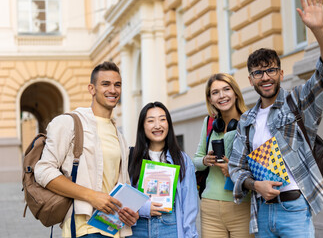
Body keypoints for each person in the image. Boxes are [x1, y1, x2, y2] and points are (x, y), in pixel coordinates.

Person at [228, 0, 323, 237]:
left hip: (294, 209)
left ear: (280, 73)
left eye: (270, 69)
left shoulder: (297, 103)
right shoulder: (246, 121)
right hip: (262, 212)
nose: (265, 77)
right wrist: (254, 185)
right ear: (250, 80)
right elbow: (236, 167)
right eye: (258, 73)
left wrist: (317, 29)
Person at [35, 61, 139, 238]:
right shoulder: (70, 123)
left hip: (114, 228)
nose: (113, 90)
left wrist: (130, 213)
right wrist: (92, 196)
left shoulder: (119, 135)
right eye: (105, 84)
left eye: (117, 85)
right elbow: (43, 170)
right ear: (92, 89)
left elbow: (121, 185)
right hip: (84, 228)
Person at [193, 73, 253, 237]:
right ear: (210, 99)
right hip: (210, 207)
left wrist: (233, 171)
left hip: (242, 205)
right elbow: (195, 161)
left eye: (226, 89)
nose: (222, 96)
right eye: (215, 92)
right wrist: (205, 160)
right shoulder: (209, 123)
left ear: (235, 92)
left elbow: (259, 167)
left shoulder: (250, 122)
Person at [127, 101, 198, 238]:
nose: (157, 125)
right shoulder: (131, 158)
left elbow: (189, 207)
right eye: (151, 121)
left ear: (169, 124)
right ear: (142, 126)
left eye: (162, 119)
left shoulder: (182, 160)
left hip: (170, 228)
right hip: (137, 229)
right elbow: (124, 199)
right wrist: (144, 208)